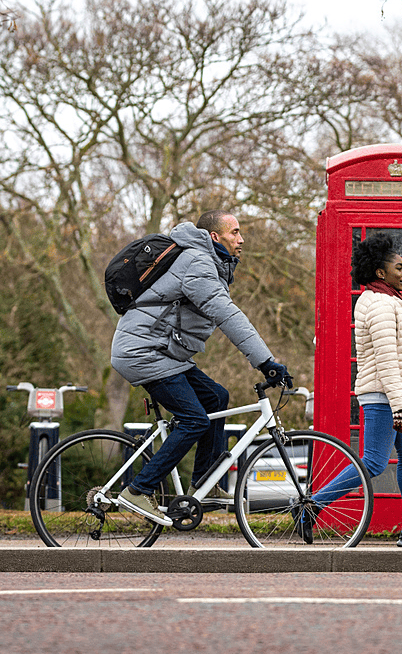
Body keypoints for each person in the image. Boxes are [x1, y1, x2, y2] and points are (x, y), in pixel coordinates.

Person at [110, 210, 293, 525]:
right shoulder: (197, 263)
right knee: (194, 419)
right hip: (143, 352)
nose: (242, 239)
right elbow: (227, 314)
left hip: (163, 353)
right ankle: (138, 490)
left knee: (216, 398)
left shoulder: (207, 263)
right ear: (215, 237)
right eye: (235, 232)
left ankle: (205, 484)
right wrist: (265, 361)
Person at [301, 234, 402, 547]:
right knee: (373, 463)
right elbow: (386, 359)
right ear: (381, 273)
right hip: (385, 398)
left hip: (400, 396)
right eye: (399, 267)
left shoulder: (392, 300)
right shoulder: (380, 305)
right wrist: (398, 405)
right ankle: (312, 505)